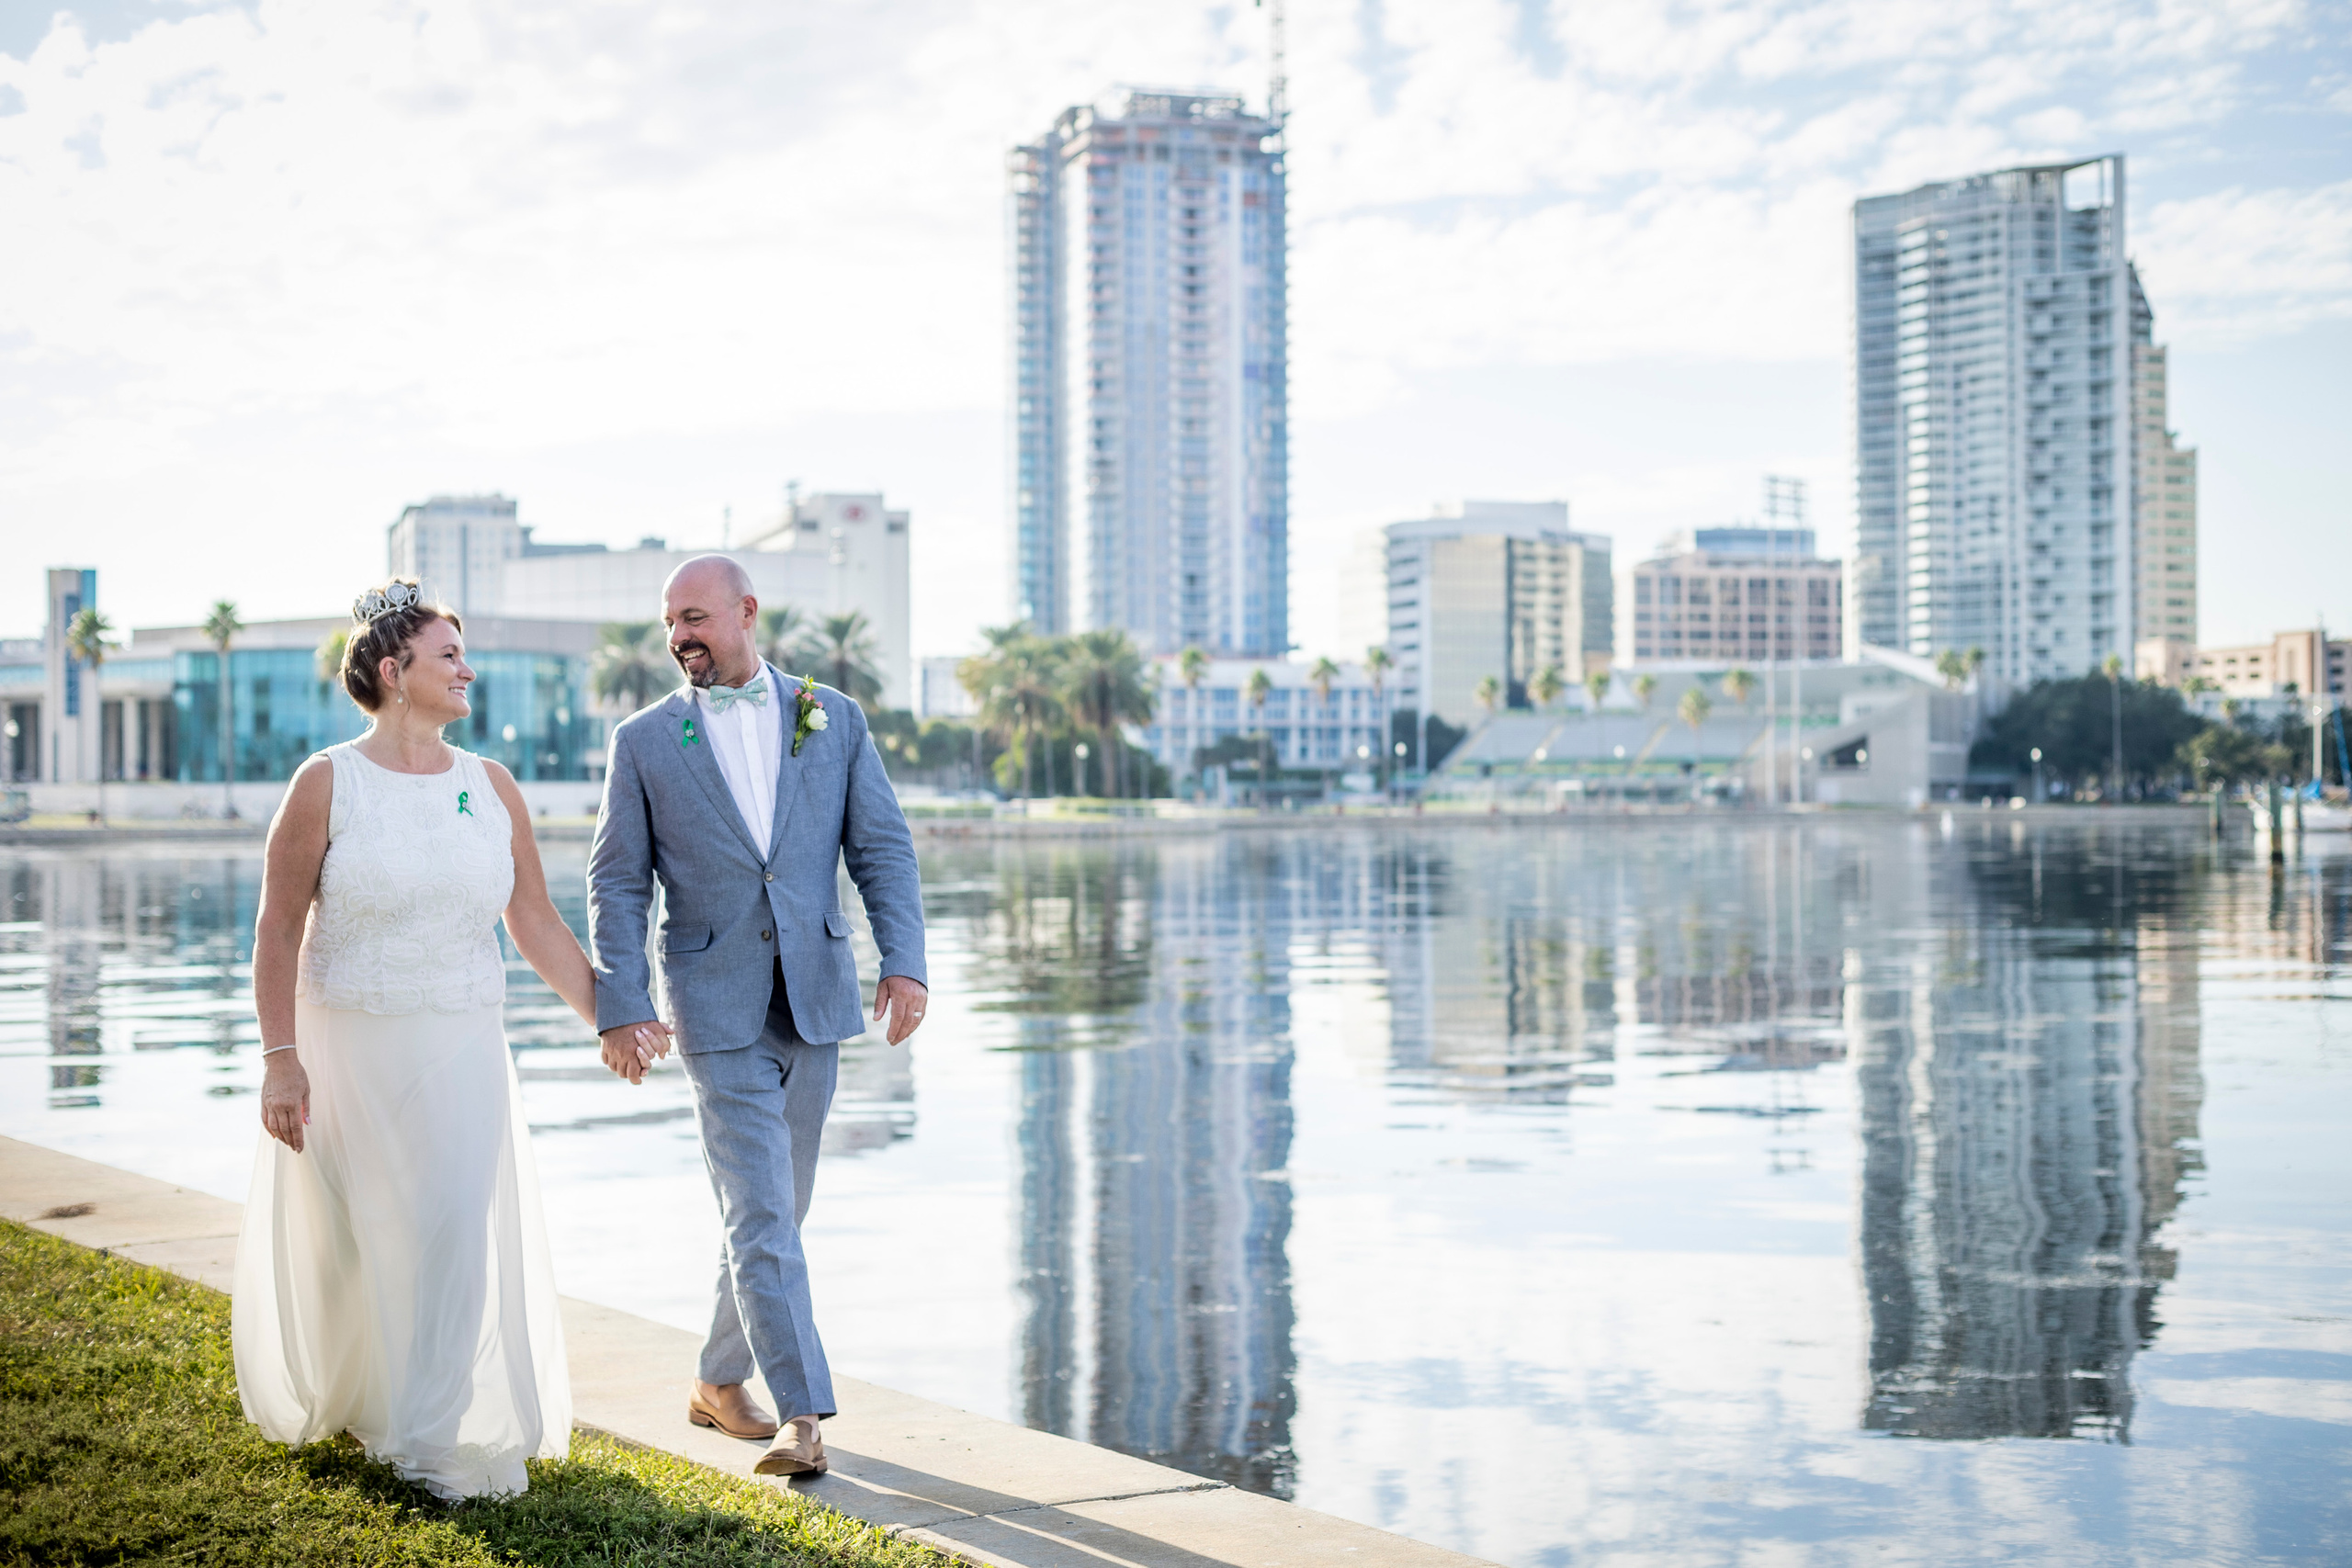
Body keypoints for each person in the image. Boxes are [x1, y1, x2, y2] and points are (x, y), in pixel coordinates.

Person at [232, 579, 650, 1500]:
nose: (469, 671)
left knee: (453, 1225)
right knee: (359, 1236)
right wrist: (279, 1059)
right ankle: (364, 1400)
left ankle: (433, 1433)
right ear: (394, 671)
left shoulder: (490, 785)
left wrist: (613, 1017)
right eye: (448, 656)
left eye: (464, 654)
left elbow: (534, 920)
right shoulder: (325, 781)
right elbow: (276, 928)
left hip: (461, 1041)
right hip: (346, 1044)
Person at [587, 555, 927, 1477]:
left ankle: (714, 1379)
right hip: (711, 1006)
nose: (678, 636)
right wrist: (621, 1004)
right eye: (670, 622)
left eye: (694, 616)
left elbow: (882, 849)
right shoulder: (644, 741)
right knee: (763, 1210)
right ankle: (803, 1416)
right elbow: (616, 881)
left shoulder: (835, 719)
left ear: (745, 612)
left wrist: (905, 964)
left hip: (815, 1000)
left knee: (776, 1213)